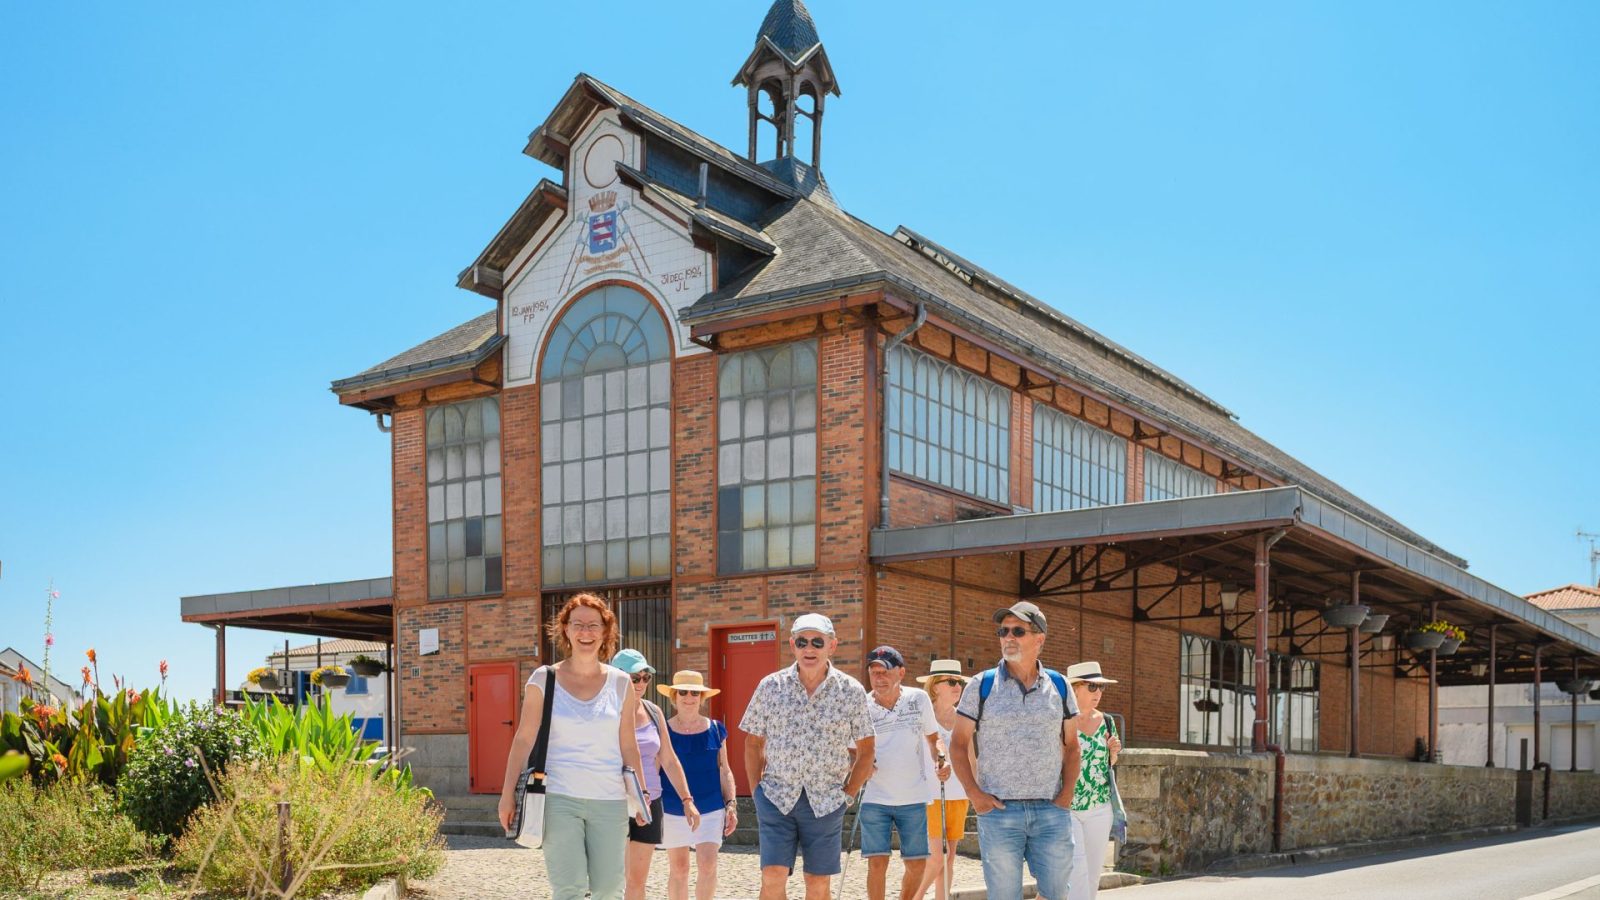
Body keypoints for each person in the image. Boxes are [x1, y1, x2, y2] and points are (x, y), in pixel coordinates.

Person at [494, 594, 695, 900]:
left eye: (593, 625)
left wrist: (640, 796)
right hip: (560, 799)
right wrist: (507, 795)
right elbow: (523, 739)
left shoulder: (620, 683)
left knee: (608, 890)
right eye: (578, 624)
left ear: (605, 632)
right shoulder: (543, 679)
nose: (585, 632)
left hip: (610, 799)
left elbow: (628, 744)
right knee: (569, 890)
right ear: (566, 630)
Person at [950, 601, 1081, 900]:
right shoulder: (980, 685)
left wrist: (1066, 796)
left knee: (1057, 895)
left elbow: (1072, 746)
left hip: (1051, 810)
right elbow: (958, 745)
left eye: (1018, 631)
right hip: (999, 812)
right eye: (1003, 630)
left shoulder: (1059, 686)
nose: (1008, 637)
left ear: (1039, 639)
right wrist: (975, 795)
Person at [740, 612, 875, 900]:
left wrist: (847, 794)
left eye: (817, 641)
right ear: (792, 645)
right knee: (772, 875)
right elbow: (752, 744)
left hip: (826, 802)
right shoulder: (770, 686)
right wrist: (756, 790)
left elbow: (866, 751)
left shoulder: (851, 691)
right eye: (802, 642)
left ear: (832, 646)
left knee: (817, 882)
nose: (809, 649)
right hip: (776, 797)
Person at [613, 649, 699, 900]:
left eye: (645, 677)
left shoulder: (653, 711)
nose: (641, 683)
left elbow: (669, 760)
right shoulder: (605, 712)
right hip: (611, 800)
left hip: (649, 802)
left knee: (637, 881)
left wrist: (687, 799)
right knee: (610, 879)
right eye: (634, 677)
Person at [860, 645, 943, 900]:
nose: (879, 678)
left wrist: (941, 759)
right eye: (874, 672)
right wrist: (862, 762)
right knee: (877, 863)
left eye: (884, 672)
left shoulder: (918, 699)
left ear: (901, 673)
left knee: (917, 864)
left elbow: (934, 739)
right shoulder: (862, 704)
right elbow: (851, 748)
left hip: (913, 797)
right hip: (875, 798)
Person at [657, 669, 739, 900]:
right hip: (672, 807)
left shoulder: (716, 729)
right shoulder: (663, 729)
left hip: (711, 807)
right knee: (679, 869)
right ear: (674, 696)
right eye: (683, 692)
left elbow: (725, 770)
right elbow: (655, 770)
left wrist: (731, 804)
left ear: (702, 698)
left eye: (694, 693)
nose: (689, 697)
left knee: (708, 864)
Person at [911, 659, 973, 900]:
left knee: (949, 858)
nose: (958, 686)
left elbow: (971, 758)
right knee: (936, 858)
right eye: (951, 682)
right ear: (935, 686)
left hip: (959, 795)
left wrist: (974, 790)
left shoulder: (964, 718)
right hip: (929, 796)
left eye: (960, 682)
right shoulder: (921, 718)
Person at [1064, 662, 1121, 900]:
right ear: (1074, 689)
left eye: (1101, 688)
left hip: (1100, 807)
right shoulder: (1062, 721)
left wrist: (1113, 752)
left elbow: (1110, 763)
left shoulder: (1107, 721)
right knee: (1076, 869)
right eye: (1092, 687)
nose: (1098, 693)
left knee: (1093, 873)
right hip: (1069, 807)